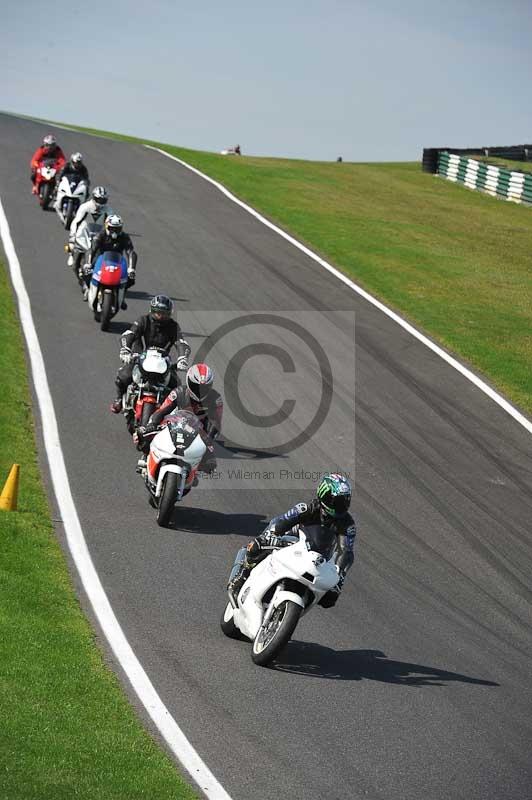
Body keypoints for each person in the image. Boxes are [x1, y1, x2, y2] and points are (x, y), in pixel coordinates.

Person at [228, 473, 356, 606]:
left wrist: (339, 577)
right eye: (335, 501)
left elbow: (346, 551)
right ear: (323, 495)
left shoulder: (348, 524)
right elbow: (280, 522)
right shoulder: (307, 508)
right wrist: (270, 536)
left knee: (330, 598)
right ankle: (241, 574)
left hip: (319, 560)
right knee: (255, 547)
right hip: (291, 544)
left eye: (344, 502)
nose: (339, 506)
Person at [110, 294, 191, 413]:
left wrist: (183, 358)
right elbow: (129, 334)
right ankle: (118, 399)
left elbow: (181, 342)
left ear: (169, 313)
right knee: (123, 376)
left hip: (162, 362)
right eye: (157, 312)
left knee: (177, 386)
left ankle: (172, 413)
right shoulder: (143, 320)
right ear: (152, 310)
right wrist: (125, 349)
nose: (160, 315)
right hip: (140, 357)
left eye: (164, 313)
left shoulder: (173, 326)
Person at [141, 362, 223, 440]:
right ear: (189, 382)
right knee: (147, 439)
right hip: (176, 424)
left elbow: (215, 422)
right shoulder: (178, 392)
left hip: (199, 432)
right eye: (196, 387)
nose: (199, 391)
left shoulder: (215, 399)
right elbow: (162, 411)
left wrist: (209, 437)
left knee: (209, 452)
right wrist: (153, 424)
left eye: (204, 388)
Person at [84, 214, 137, 300]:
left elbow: (130, 252)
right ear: (106, 226)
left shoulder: (125, 237)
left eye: (117, 229)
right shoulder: (100, 235)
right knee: (87, 272)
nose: (114, 232)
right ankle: (88, 288)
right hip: (100, 258)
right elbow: (92, 249)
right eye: (112, 228)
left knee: (130, 279)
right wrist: (88, 263)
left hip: (117, 261)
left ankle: (122, 295)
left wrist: (132, 269)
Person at [67, 186, 111, 272]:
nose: (101, 203)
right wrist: (72, 237)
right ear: (94, 198)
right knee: (74, 263)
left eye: (103, 200)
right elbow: (76, 222)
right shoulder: (85, 207)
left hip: (99, 235)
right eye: (99, 200)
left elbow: (110, 224)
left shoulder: (108, 210)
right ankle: (72, 255)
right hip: (83, 233)